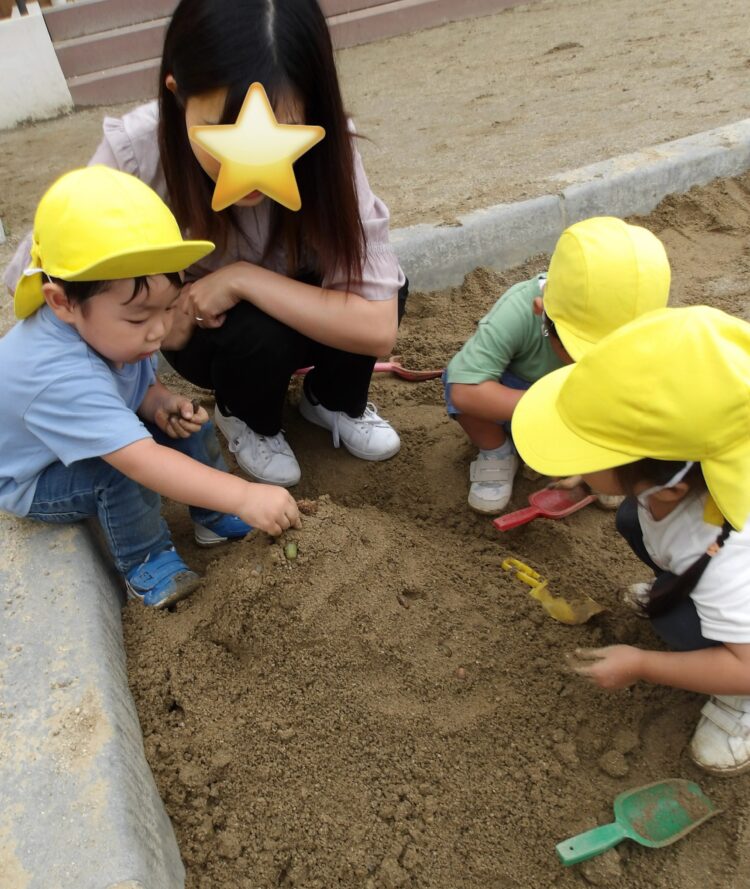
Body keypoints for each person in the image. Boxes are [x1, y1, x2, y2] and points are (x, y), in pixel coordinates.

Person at [5, 0, 407, 489]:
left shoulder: (328, 145)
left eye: (279, 129)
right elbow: (43, 277)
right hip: (204, 329)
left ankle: (331, 400)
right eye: (222, 131)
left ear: (311, 102)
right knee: (259, 332)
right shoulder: (138, 150)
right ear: (178, 95)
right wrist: (150, 343)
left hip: (296, 306)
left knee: (384, 285)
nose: (252, 162)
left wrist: (241, 279)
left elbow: (377, 324)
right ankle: (249, 419)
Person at [0, 166, 300, 609]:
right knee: (116, 473)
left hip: (89, 433)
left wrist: (158, 402)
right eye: (140, 317)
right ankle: (147, 560)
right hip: (37, 477)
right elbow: (140, 462)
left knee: (189, 422)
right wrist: (245, 494)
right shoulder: (58, 374)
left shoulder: (109, 328)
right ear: (62, 302)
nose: (159, 330)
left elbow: (133, 381)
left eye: (169, 308)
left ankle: (214, 516)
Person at [511, 305, 750, 776]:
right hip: (703, 560)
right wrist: (589, 476)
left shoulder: (728, 555)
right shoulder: (681, 477)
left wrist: (641, 663)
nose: (576, 456)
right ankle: (685, 593)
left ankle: (738, 703)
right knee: (629, 518)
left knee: (678, 625)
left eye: (589, 451)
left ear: (670, 486)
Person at [443, 216, 670, 513]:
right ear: (542, 312)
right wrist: (556, 410)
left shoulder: (650, 330)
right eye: (579, 348)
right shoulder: (518, 310)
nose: (589, 361)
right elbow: (464, 389)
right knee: (459, 380)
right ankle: (497, 452)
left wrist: (592, 458)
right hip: (517, 402)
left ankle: (597, 461)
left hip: (585, 410)